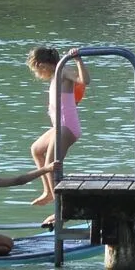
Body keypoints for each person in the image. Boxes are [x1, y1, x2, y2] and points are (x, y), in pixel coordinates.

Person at [27, 46, 89, 206]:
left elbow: (85, 80)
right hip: (59, 127)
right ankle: (48, 192)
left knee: (51, 165)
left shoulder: (63, 70)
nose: (37, 74)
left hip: (67, 127)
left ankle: (60, 210)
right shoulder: (56, 75)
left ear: (42, 65)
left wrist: (78, 60)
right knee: (36, 150)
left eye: (36, 69)